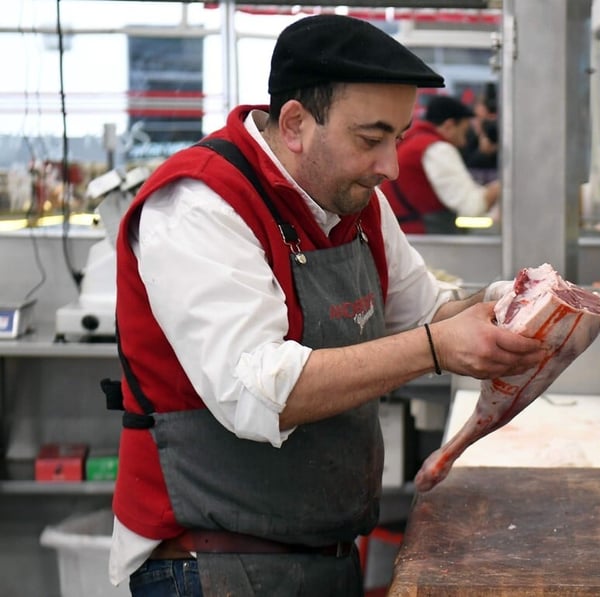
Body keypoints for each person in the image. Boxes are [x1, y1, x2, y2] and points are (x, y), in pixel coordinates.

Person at [106, 14, 545, 596]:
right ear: (294, 124)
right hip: (211, 567)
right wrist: (437, 348)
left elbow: (423, 311)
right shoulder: (200, 203)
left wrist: (503, 305)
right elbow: (260, 393)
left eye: (400, 139)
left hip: (327, 554)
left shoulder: (355, 199)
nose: (390, 165)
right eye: (371, 139)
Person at [380, 95, 501, 234]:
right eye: (464, 132)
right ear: (449, 125)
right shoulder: (437, 149)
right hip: (425, 240)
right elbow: (471, 207)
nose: (464, 142)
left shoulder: (413, 141)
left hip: (407, 234)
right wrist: (503, 186)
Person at [460, 81, 500, 174]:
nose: (489, 111)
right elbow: (464, 166)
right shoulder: (467, 133)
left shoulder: (503, 129)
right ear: (476, 107)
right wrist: (482, 153)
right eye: (485, 105)